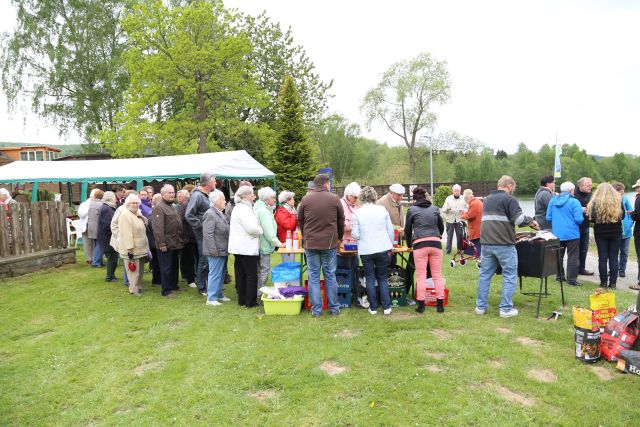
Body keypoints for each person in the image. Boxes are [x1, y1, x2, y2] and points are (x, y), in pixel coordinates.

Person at [475, 176, 538, 318]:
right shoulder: (510, 200)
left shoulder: (487, 200)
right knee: (509, 275)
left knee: (484, 275)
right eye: (513, 188)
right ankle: (505, 309)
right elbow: (519, 219)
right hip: (504, 244)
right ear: (509, 186)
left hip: (486, 243)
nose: (513, 191)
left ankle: (480, 307)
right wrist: (532, 222)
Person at [298, 174, 345, 317]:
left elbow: (300, 220)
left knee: (313, 276)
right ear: (326, 184)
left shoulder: (305, 200)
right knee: (330, 275)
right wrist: (340, 237)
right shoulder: (334, 199)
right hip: (329, 243)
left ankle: (316, 310)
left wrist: (305, 235)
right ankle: (334, 309)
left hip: (311, 243)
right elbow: (341, 220)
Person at [352, 186, 393, 315]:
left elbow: (356, 234)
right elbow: (390, 230)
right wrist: (390, 246)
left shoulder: (357, 213)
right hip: (382, 247)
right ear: (375, 197)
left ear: (362, 198)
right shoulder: (382, 210)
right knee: (382, 277)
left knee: (369, 278)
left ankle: (373, 307)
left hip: (366, 250)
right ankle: (386, 307)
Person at [404, 187, 446, 314]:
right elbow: (441, 227)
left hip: (420, 243)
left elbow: (407, 230)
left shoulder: (412, 210)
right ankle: (440, 305)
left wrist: (409, 244)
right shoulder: (434, 209)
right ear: (426, 197)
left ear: (414, 199)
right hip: (435, 243)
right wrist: (437, 236)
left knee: (421, 275)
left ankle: (421, 306)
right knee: (437, 275)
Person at [228, 185, 263, 308]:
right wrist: (260, 229)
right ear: (247, 196)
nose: (254, 197)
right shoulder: (244, 209)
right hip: (245, 247)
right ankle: (251, 301)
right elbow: (251, 228)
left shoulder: (239, 207)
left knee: (241, 274)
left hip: (239, 247)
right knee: (251, 275)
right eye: (252, 194)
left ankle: (242, 299)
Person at [546, 182, 583, 286]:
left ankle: (559, 277)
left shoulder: (553, 201)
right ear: (571, 190)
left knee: (558, 256)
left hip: (557, 233)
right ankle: (571, 280)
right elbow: (579, 219)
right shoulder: (574, 202)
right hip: (572, 234)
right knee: (573, 256)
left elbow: (548, 218)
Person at [587, 182, 623, 289]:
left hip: (600, 232)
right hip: (616, 232)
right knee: (613, 258)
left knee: (602, 258)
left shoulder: (595, 202)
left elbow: (592, 218)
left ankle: (603, 283)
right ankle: (613, 283)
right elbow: (623, 215)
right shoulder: (617, 201)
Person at [185, 172, 217, 296]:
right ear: (208, 182)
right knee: (204, 260)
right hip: (203, 233)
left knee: (209, 259)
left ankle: (210, 284)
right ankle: (202, 288)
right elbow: (189, 215)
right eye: (214, 180)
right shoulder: (197, 196)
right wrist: (201, 227)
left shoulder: (207, 195)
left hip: (210, 233)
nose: (215, 182)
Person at [152, 184, 184, 298]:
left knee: (175, 265)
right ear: (162, 194)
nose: (172, 194)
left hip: (175, 242)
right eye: (169, 192)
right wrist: (162, 243)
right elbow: (158, 228)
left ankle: (173, 285)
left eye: (172, 192)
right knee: (166, 267)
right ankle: (166, 290)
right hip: (166, 243)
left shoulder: (172, 206)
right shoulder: (159, 207)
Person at [202, 190, 230, 306]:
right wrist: (213, 250)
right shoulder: (210, 213)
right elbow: (207, 233)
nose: (225, 201)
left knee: (221, 273)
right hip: (215, 250)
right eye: (223, 199)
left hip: (222, 249)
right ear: (216, 201)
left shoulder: (219, 212)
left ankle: (218, 294)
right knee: (215, 273)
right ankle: (211, 298)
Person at [117, 195, 149, 296]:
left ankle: (138, 286)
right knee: (133, 271)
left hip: (141, 247)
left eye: (137, 203)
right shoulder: (125, 215)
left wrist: (141, 217)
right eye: (133, 203)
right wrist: (129, 249)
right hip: (132, 248)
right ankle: (133, 289)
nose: (135, 205)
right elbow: (126, 234)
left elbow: (145, 225)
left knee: (140, 269)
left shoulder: (137, 213)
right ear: (128, 204)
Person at [338, 182, 362, 306]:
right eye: (355, 197)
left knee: (355, 270)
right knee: (344, 271)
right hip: (343, 246)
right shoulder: (341, 204)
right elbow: (343, 225)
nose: (357, 200)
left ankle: (354, 295)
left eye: (358, 198)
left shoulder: (356, 205)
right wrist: (356, 225)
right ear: (348, 195)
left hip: (355, 245)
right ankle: (343, 296)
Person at [254, 187, 283, 288]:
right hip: (263, 246)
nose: (274, 200)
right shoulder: (264, 212)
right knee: (264, 271)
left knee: (258, 271)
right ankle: (260, 293)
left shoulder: (259, 208)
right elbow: (269, 232)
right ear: (266, 200)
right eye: (272, 198)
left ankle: (257, 292)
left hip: (258, 245)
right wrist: (279, 244)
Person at [176, 189, 197, 288]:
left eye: (180, 196)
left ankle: (190, 278)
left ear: (186, 197)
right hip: (187, 237)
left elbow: (181, 219)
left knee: (189, 259)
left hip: (188, 236)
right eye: (178, 196)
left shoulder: (185, 205)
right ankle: (189, 277)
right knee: (186, 258)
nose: (178, 198)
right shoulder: (181, 206)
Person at [77, 188, 104, 265]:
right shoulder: (84, 204)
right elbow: (80, 214)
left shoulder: (98, 203)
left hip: (95, 226)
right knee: (87, 243)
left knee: (95, 243)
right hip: (86, 226)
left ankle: (96, 259)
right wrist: (90, 209)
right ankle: (89, 259)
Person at [613, 182, 633, 279]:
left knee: (624, 252)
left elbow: (631, 211)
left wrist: (630, 222)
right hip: (616, 231)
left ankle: (622, 270)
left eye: (623, 191)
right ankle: (612, 269)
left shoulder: (625, 199)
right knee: (613, 252)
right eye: (621, 192)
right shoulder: (611, 200)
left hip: (627, 231)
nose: (623, 193)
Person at [575, 177, 594, 276]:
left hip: (586, 225)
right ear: (580, 186)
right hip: (575, 226)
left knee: (584, 249)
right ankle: (574, 269)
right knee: (575, 249)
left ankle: (582, 268)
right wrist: (579, 209)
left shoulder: (590, 194)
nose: (590, 187)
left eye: (590, 185)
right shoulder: (573, 194)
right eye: (588, 185)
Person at [98, 191, 119, 282]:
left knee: (113, 256)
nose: (115, 198)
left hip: (108, 236)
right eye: (114, 197)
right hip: (107, 237)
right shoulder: (106, 209)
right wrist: (114, 234)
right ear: (110, 198)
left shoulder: (108, 207)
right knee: (112, 256)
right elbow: (107, 225)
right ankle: (109, 277)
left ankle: (112, 275)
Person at [442, 184, 466, 254]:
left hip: (459, 219)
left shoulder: (463, 198)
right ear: (453, 191)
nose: (457, 192)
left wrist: (463, 210)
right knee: (449, 236)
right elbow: (443, 209)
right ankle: (448, 250)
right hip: (450, 220)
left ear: (460, 191)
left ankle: (460, 250)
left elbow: (468, 208)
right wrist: (447, 209)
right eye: (455, 191)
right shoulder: (448, 198)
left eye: (458, 191)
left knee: (460, 235)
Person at [274, 190, 297, 263]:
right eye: (293, 199)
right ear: (287, 200)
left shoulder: (288, 210)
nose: (294, 201)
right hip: (286, 242)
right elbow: (289, 226)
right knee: (288, 264)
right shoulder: (281, 212)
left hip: (290, 241)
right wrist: (294, 215)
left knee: (290, 263)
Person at [461, 189, 483, 258]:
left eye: (466, 200)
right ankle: (476, 254)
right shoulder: (477, 202)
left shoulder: (473, 204)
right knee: (477, 242)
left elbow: (470, 216)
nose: (466, 202)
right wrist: (466, 212)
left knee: (475, 242)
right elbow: (471, 213)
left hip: (476, 226)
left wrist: (463, 216)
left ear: (468, 198)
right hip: (479, 226)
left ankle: (476, 255)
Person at [87, 191, 105, 267]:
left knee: (97, 244)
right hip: (97, 226)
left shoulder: (91, 204)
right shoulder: (101, 204)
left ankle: (99, 261)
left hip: (91, 226)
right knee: (100, 245)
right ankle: (96, 262)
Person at [629, 179, 640, 291]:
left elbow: (637, 216)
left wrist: (632, 214)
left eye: (637, 187)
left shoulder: (639, 199)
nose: (636, 189)